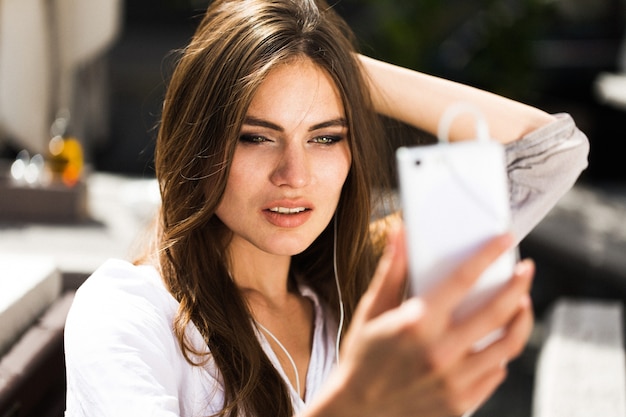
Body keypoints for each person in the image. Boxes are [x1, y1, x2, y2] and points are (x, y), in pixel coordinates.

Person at [63, 0, 589, 416]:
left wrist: (327, 60)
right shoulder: (130, 315)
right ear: (198, 143)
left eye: (325, 137)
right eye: (256, 137)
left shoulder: (361, 287)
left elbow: (549, 155)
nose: (294, 175)